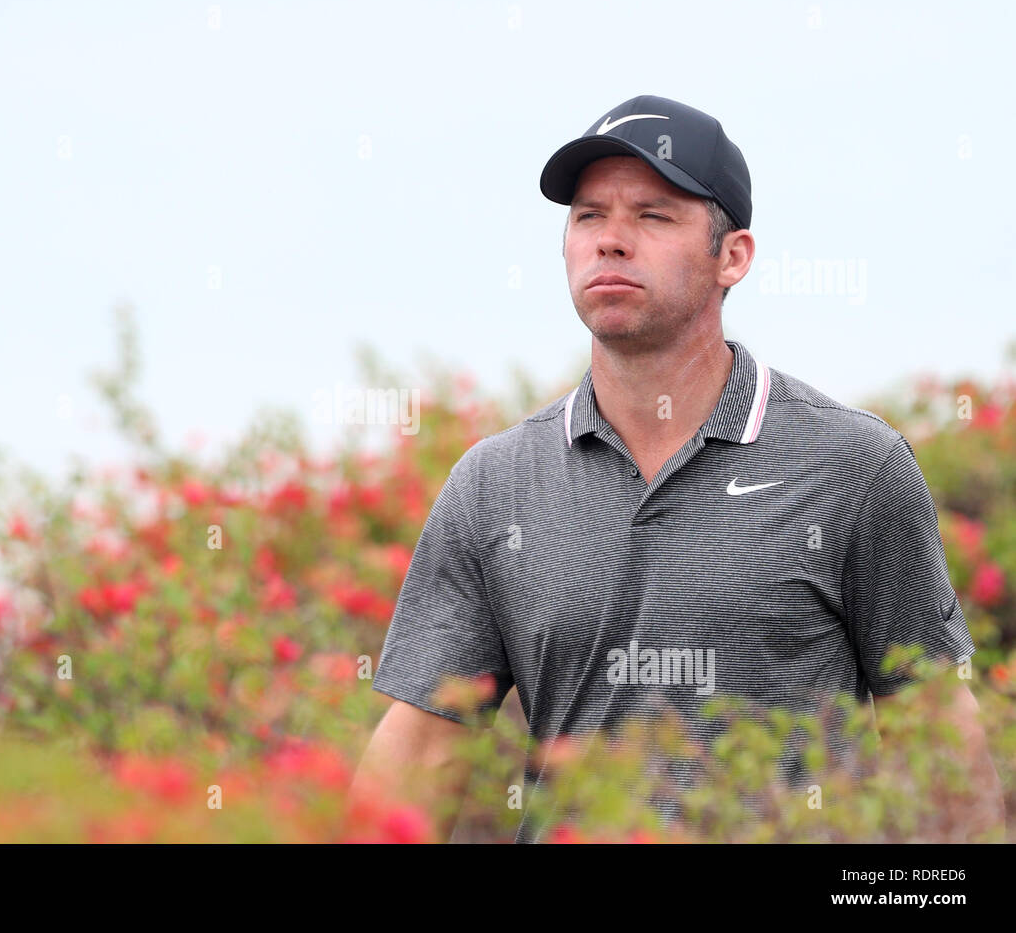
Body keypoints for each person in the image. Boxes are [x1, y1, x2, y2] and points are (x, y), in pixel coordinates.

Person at [350, 95, 1000, 843]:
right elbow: (422, 753)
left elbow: (937, 735)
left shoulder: (854, 466)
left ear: (734, 257)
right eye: (589, 217)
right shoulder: (494, 485)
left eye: (653, 216)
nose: (611, 241)